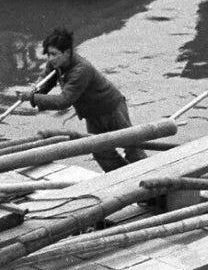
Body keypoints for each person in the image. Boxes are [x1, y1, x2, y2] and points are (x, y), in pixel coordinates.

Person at [24, 27, 145, 172]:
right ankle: (122, 176)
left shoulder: (81, 69)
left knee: (132, 146)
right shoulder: (56, 63)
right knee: (100, 151)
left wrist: (34, 98)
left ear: (67, 52)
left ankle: (146, 174)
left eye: (54, 54)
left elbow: (64, 101)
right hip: (92, 115)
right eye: (48, 54)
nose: (50, 58)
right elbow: (45, 81)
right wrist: (36, 90)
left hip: (111, 109)